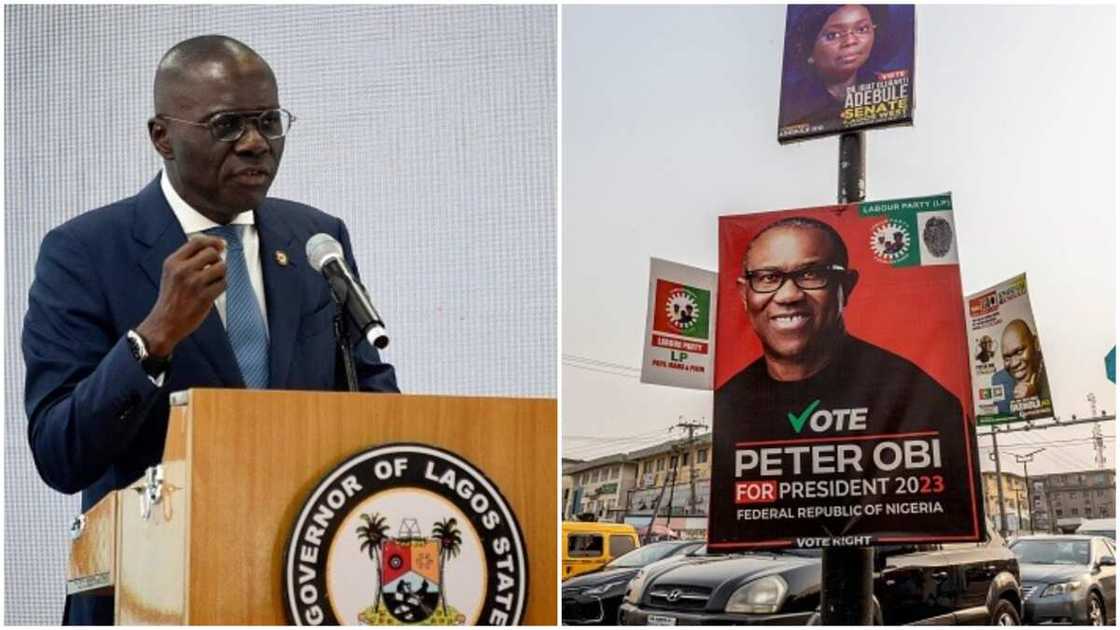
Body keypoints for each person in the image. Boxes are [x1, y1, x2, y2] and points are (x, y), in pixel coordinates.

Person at [22, 35, 398, 625]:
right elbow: (58, 453)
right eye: (227, 125)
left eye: (269, 122)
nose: (255, 144)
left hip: (299, 591)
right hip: (148, 597)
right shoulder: (85, 252)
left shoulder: (317, 241)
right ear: (162, 136)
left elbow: (377, 409)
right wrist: (151, 341)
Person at [711, 217, 972, 542]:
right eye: (768, 277)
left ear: (846, 287)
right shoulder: (728, 404)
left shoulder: (924, 401)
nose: (788, 295)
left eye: (811, 274)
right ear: (744, 294)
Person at [780, 4, 888, 128]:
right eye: (833, 35)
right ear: (808, 50)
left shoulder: (885, 87)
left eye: (862, 29)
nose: (850, 41)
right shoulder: (792, 105)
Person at [992, 319, 1049, 415]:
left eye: (1019, 352)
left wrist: (1032, 401)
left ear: (1036, 343)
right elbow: (1005, 422)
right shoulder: (999, 381)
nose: (1014, 363)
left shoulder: (1054, 369)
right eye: (1007, 358)